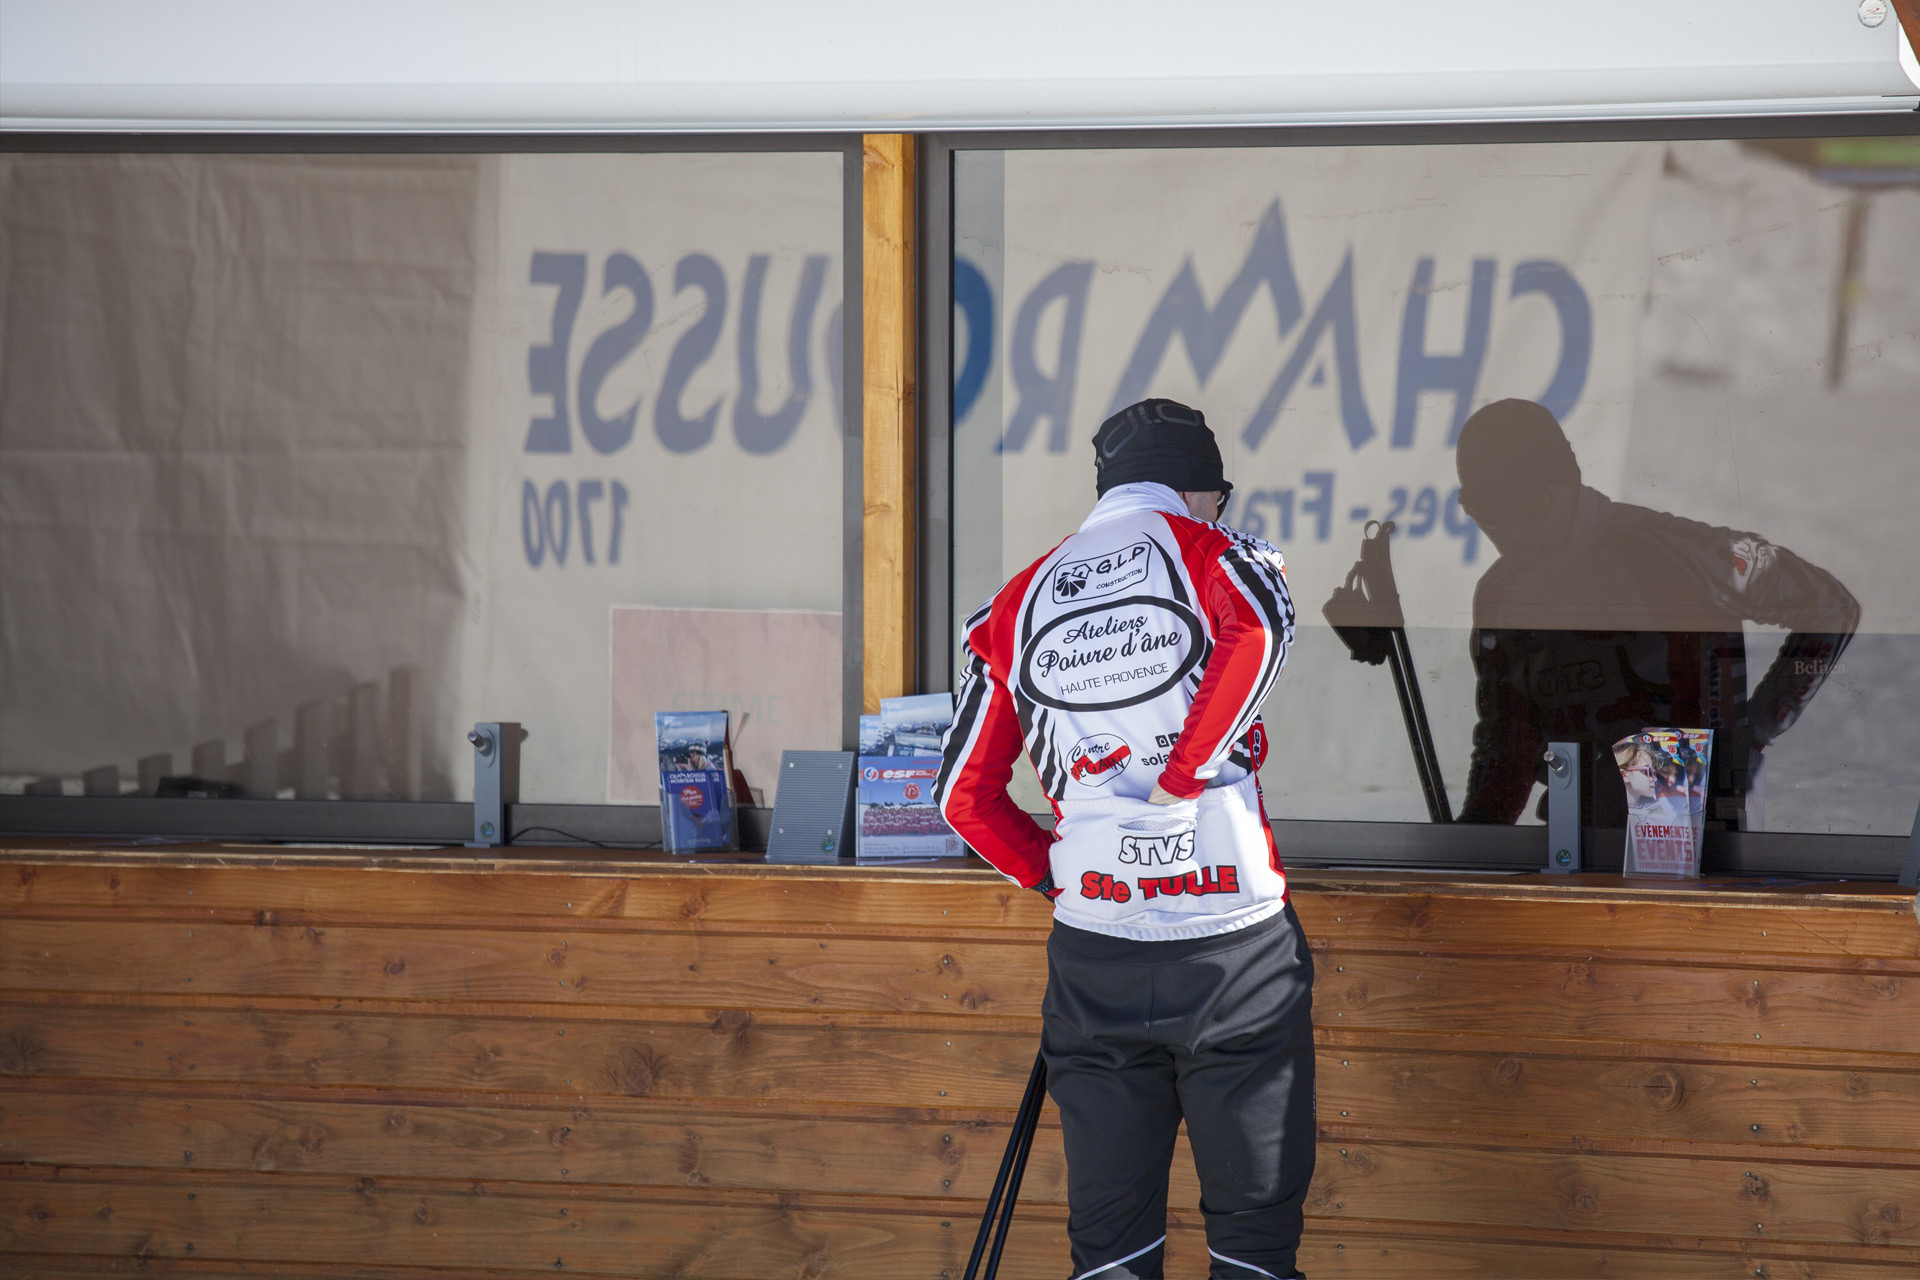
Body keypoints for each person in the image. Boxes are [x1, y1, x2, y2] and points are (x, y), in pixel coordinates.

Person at [937, 398, 1312, 1280]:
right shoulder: (1218, 553)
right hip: (1236, 955)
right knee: (1253, 1257)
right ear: (1204, 490)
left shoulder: (1015, 601)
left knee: (1112, 1259)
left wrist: (1063, 877)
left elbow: (963, 798)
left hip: (1095, 959)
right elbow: (1260, 628)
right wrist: (1184, 781)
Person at [1454, 399, 1859, 830]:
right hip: (1578, 835)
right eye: (1484, 513)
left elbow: (1830, 609)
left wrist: (1753, 734)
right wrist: (1472, 843)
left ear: (1566, 482)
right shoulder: (1500, 594)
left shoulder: (1669, 555)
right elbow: (1507, 741)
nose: (1510, 531)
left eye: (1523, 507)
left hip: (1696, 832)